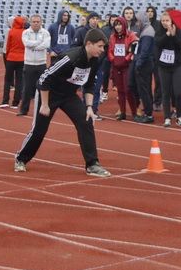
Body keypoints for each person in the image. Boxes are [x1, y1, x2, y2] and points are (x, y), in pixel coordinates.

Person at [14, 28, 111, 177]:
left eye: (103, 47)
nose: (102, 50)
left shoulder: (94, 61)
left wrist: (89, 107)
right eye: (100, 46)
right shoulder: (70, 57)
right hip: (49, 93)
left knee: (86, 121)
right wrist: (44, 105)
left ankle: (92, 164)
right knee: (39, 129)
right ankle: (21, 159)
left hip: (69, 95)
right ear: (89, 44)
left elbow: (89, 84)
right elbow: (44, 79)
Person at [155, 11, 181, 128]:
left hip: (177, 65)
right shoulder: (159, 31)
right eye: (163, 20)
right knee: (166, 92)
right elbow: (158, 43)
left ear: (171, 21)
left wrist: (173, 36)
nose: (165, 23)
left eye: (167, 20)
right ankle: (167, 117)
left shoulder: (177, 30)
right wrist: (167, 34)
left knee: (178, 92)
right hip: (163, 66)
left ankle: (179, 116)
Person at [19, 15, 51, 116]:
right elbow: (26, 43)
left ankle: (42, 108)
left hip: (41, 63)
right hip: (29, 63)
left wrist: (34, 46)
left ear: (41, 22)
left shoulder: (45, 33)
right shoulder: (26, 32)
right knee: (27, 88)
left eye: (37, 22)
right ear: (30, 22)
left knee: (42, 88)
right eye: (34, 21)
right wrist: (39, 43)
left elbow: (46, 45)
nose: (36, 23)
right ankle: (24, 109)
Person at [108, 16, 138, 120]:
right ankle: (122, 112)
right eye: (116, 25)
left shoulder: (130, 35)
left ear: (124, 25)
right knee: (120, 90)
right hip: (116, 66)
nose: (118, 27)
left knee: (128, 89)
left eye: (119, 25)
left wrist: (126, 59)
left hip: (127, 66)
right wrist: (113, 60)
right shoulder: (112, 37)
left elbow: (133, 50)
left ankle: (134, 112)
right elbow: (110, 51)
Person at [130, 12, 156, 123]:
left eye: (137, 21)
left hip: (144, 65)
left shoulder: (147, 33)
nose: (136, 24)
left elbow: (144, 51)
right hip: (146, 63)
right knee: (145, 89)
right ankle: (147, 111)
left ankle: (148, 114)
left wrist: (138, 64)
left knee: (144, 89)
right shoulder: (147, 31)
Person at [0, 16, 25, 109]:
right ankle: (15, 103)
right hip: (22, 58)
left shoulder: (11, 32)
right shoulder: (25, 32)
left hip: (11, 57)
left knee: (8, 80)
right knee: (19, 81)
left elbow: (8, 46)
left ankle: (5, 100)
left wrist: (7, 55)